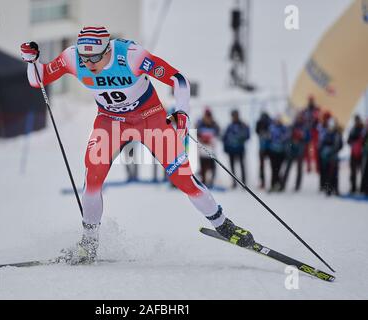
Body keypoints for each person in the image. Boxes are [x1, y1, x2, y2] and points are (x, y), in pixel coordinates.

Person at [20, 26, 255, 264]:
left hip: (149, 117)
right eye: (85, 57)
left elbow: (178, 79)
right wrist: (32, 61)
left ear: (107, 49)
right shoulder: (72, 56)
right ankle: (89, 243)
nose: (89, 63)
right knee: (93, 175)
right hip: (110, 120)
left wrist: (182, 111)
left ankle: (223, 225)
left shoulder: (131, 55)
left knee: (182, 177)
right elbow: (40, 78)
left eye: (95, 57)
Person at [281, 114, 310, 192]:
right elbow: (286, 137)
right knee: (288, 167)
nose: (299, 119)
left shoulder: (305, 127)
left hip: (300, 150)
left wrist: (301, 137)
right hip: (292, 149)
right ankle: (283, 184)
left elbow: (307, 138)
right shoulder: (292, 126)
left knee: (299, 168)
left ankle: (297, 185)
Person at [222, 109, 250, 188]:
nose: (234, 117)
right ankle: (234, 182)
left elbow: (247, 136)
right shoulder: (230, 126)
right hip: (231, 149)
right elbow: (224, 137)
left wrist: (240, 138)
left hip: (240, 149)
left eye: (235, 115)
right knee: (232, 166)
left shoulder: (243, 125)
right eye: (233, 116)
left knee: (242, 165)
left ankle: (243, 182)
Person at [196, 108, 220, 188]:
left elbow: (218, 134)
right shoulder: (200, 124)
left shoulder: (214, 125)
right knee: (203, 169)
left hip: (211, 152)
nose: (208, 118)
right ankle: (204, 183)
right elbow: (197, 134)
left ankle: (211, 183)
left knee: (213, 168)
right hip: (203, 151)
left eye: (209, 116)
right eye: (207, 116)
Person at [319, 117, 343, 196]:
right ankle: (328, 189)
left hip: (334, 157)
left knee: (335, 174)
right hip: (326, 157)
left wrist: (333, 150)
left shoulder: (337, 134)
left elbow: (340, 145)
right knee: (327, 174)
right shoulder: (325, 134)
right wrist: (326, 150)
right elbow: (321, 144)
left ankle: (335, 189)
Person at [267, 116, 287, 192]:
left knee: (278, 169)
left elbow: (286, 138)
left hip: (281, 152)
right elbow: (269, 138)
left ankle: (279, 184)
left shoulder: (284, 128)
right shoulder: (272, 128)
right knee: (273, 169)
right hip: (273, 152)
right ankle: (273, 185)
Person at [347, 115, 365, 194]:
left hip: (361, 153)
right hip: (353, 153)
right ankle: (353, 187)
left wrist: (360, 145)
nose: (357, 122)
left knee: (363, 171)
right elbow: (348, 140)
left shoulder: (363, 130)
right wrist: (353, 144)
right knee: (353, 172)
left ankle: (362, 187)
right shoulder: (352, 129)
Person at [255, 112, 271, 189]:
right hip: (265, 148)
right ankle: (264, 182)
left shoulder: (269, 126)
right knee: (263, 166)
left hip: (267, 148)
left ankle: (264, 182)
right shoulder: (263, 125)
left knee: (263, 166)